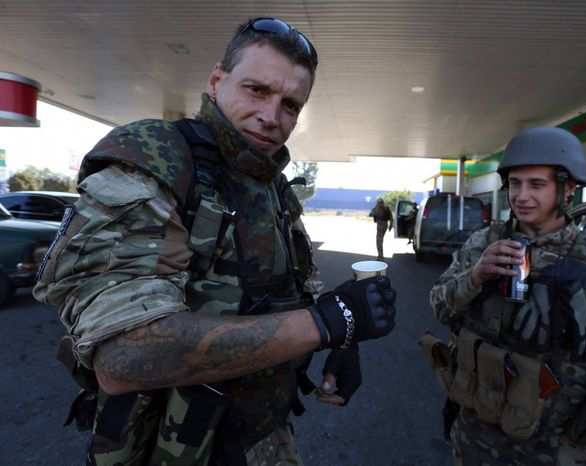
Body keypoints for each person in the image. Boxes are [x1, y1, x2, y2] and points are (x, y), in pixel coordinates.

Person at [33, 18, 397, 466]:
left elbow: (290, 293)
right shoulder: (155, 158)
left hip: (261, 438)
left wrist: (342, 340)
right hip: (171, 451)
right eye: (256, 90)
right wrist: (324, 325)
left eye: (290, 105)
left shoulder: (270, 184)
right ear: (216, 81)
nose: (271, 117)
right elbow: (123, 355)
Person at [425, 127, 586, 465]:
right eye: (515, 184)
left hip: (555, 450)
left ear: (568, 188)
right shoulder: (482, 244)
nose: (522, 196)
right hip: (476, 441)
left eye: (536, 184)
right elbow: (440, 308)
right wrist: (475, 277)